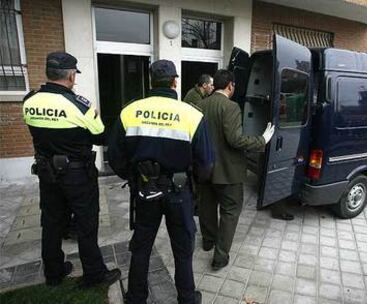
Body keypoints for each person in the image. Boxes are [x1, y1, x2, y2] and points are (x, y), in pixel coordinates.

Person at [108, 59, 214, 304]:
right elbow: (206, 164)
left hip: (146, 190)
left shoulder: (130, 111)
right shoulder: (191, 114)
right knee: (182, 248)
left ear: (150, 81)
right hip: (179, 192)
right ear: (175, 81)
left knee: (142, 245)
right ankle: (187, 298)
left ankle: (136, 298)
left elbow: (114, 156)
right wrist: (193, 183)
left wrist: (135, 178)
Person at [22, 51, 121, 287]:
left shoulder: (30, 100)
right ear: (70, 75)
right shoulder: (78, 104)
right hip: (77, 175)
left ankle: (54, 272)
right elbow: (100, 136)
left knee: (52, 222)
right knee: (86, 224)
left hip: (47, 173)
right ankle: (94, 275)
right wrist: (91, 119)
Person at [197, 69, 275, 270]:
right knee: (230, 212)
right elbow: (235, 139)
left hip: (204, 169)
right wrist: (262, 140)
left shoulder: (200, 104)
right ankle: (220, 257)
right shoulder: (231, 107)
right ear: (230, 85)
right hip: (227, 172)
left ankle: (208, 241)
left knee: (206, 207)